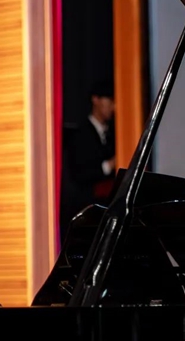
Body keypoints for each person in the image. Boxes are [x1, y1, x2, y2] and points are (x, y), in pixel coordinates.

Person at [60, 81, 116, 241]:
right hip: (85, 212)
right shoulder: (80, 134)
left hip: (107, 212)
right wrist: (109, 165)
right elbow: (79, 174)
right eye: (109, 100)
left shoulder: (114, 133)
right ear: (96, 100)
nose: (113, 107)